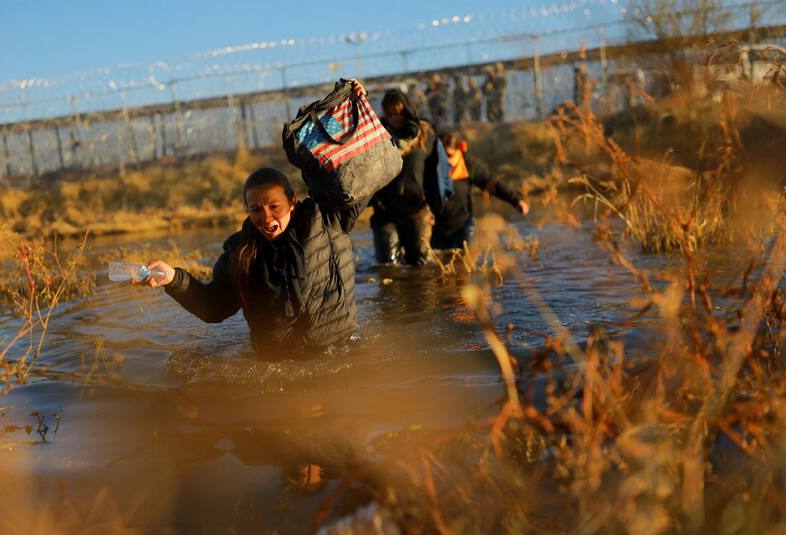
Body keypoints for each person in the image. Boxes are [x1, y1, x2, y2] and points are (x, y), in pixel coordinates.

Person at [142, 167, 370, 358]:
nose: (267, 217)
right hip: (278, 367)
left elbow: (365, 174)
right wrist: (171, 278)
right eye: (256, 210)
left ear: (291, 201)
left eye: (274, 206)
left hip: (340, 355)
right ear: (247, 211)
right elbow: (212, 308)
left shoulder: (328, 220)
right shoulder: (239, 254)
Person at [369, 89, 438, 266]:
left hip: (416, 209)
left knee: (421, 265)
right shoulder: (378, 137)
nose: (394, 118)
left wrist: (438, 203)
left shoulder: (424, 133)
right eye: (389, 114)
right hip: (385, 209)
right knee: (387, 266)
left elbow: (435, 170)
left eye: (398, 112)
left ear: (407, 110)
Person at [430, 132, 529, 250]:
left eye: (449, 155)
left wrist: (515, 200)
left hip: (462, 223)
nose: (446, 160)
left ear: (458, 151)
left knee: (463, 261)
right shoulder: (431, 165)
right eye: (442, 156)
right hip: (436, 226)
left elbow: (491, 183)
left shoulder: (468, 164)